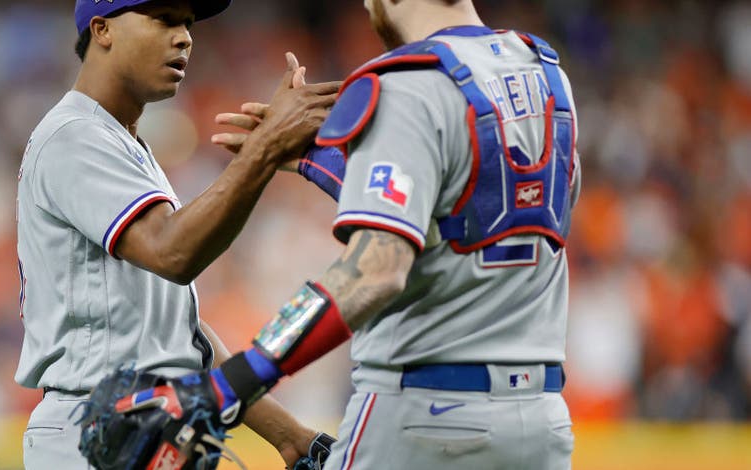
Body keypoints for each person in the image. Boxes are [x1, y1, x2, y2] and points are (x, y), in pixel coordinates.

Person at [125, 0, 583, 469]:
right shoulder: (547, 73)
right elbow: (472, 211)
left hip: (423, 417)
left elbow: (375, 271)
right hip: (541, 421)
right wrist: (320, 163)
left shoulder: (408, 82)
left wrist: (231, 383)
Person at [14, 0, 341, 468]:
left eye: (186, 23)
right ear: (103, 30)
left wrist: (289, 436)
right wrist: (265, 150)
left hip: (138, 428)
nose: (184, 36)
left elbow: (178, 338)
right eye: (163, 19)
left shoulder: (121, 144)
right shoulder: (74, 135)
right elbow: (174, 252)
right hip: (95, 433)